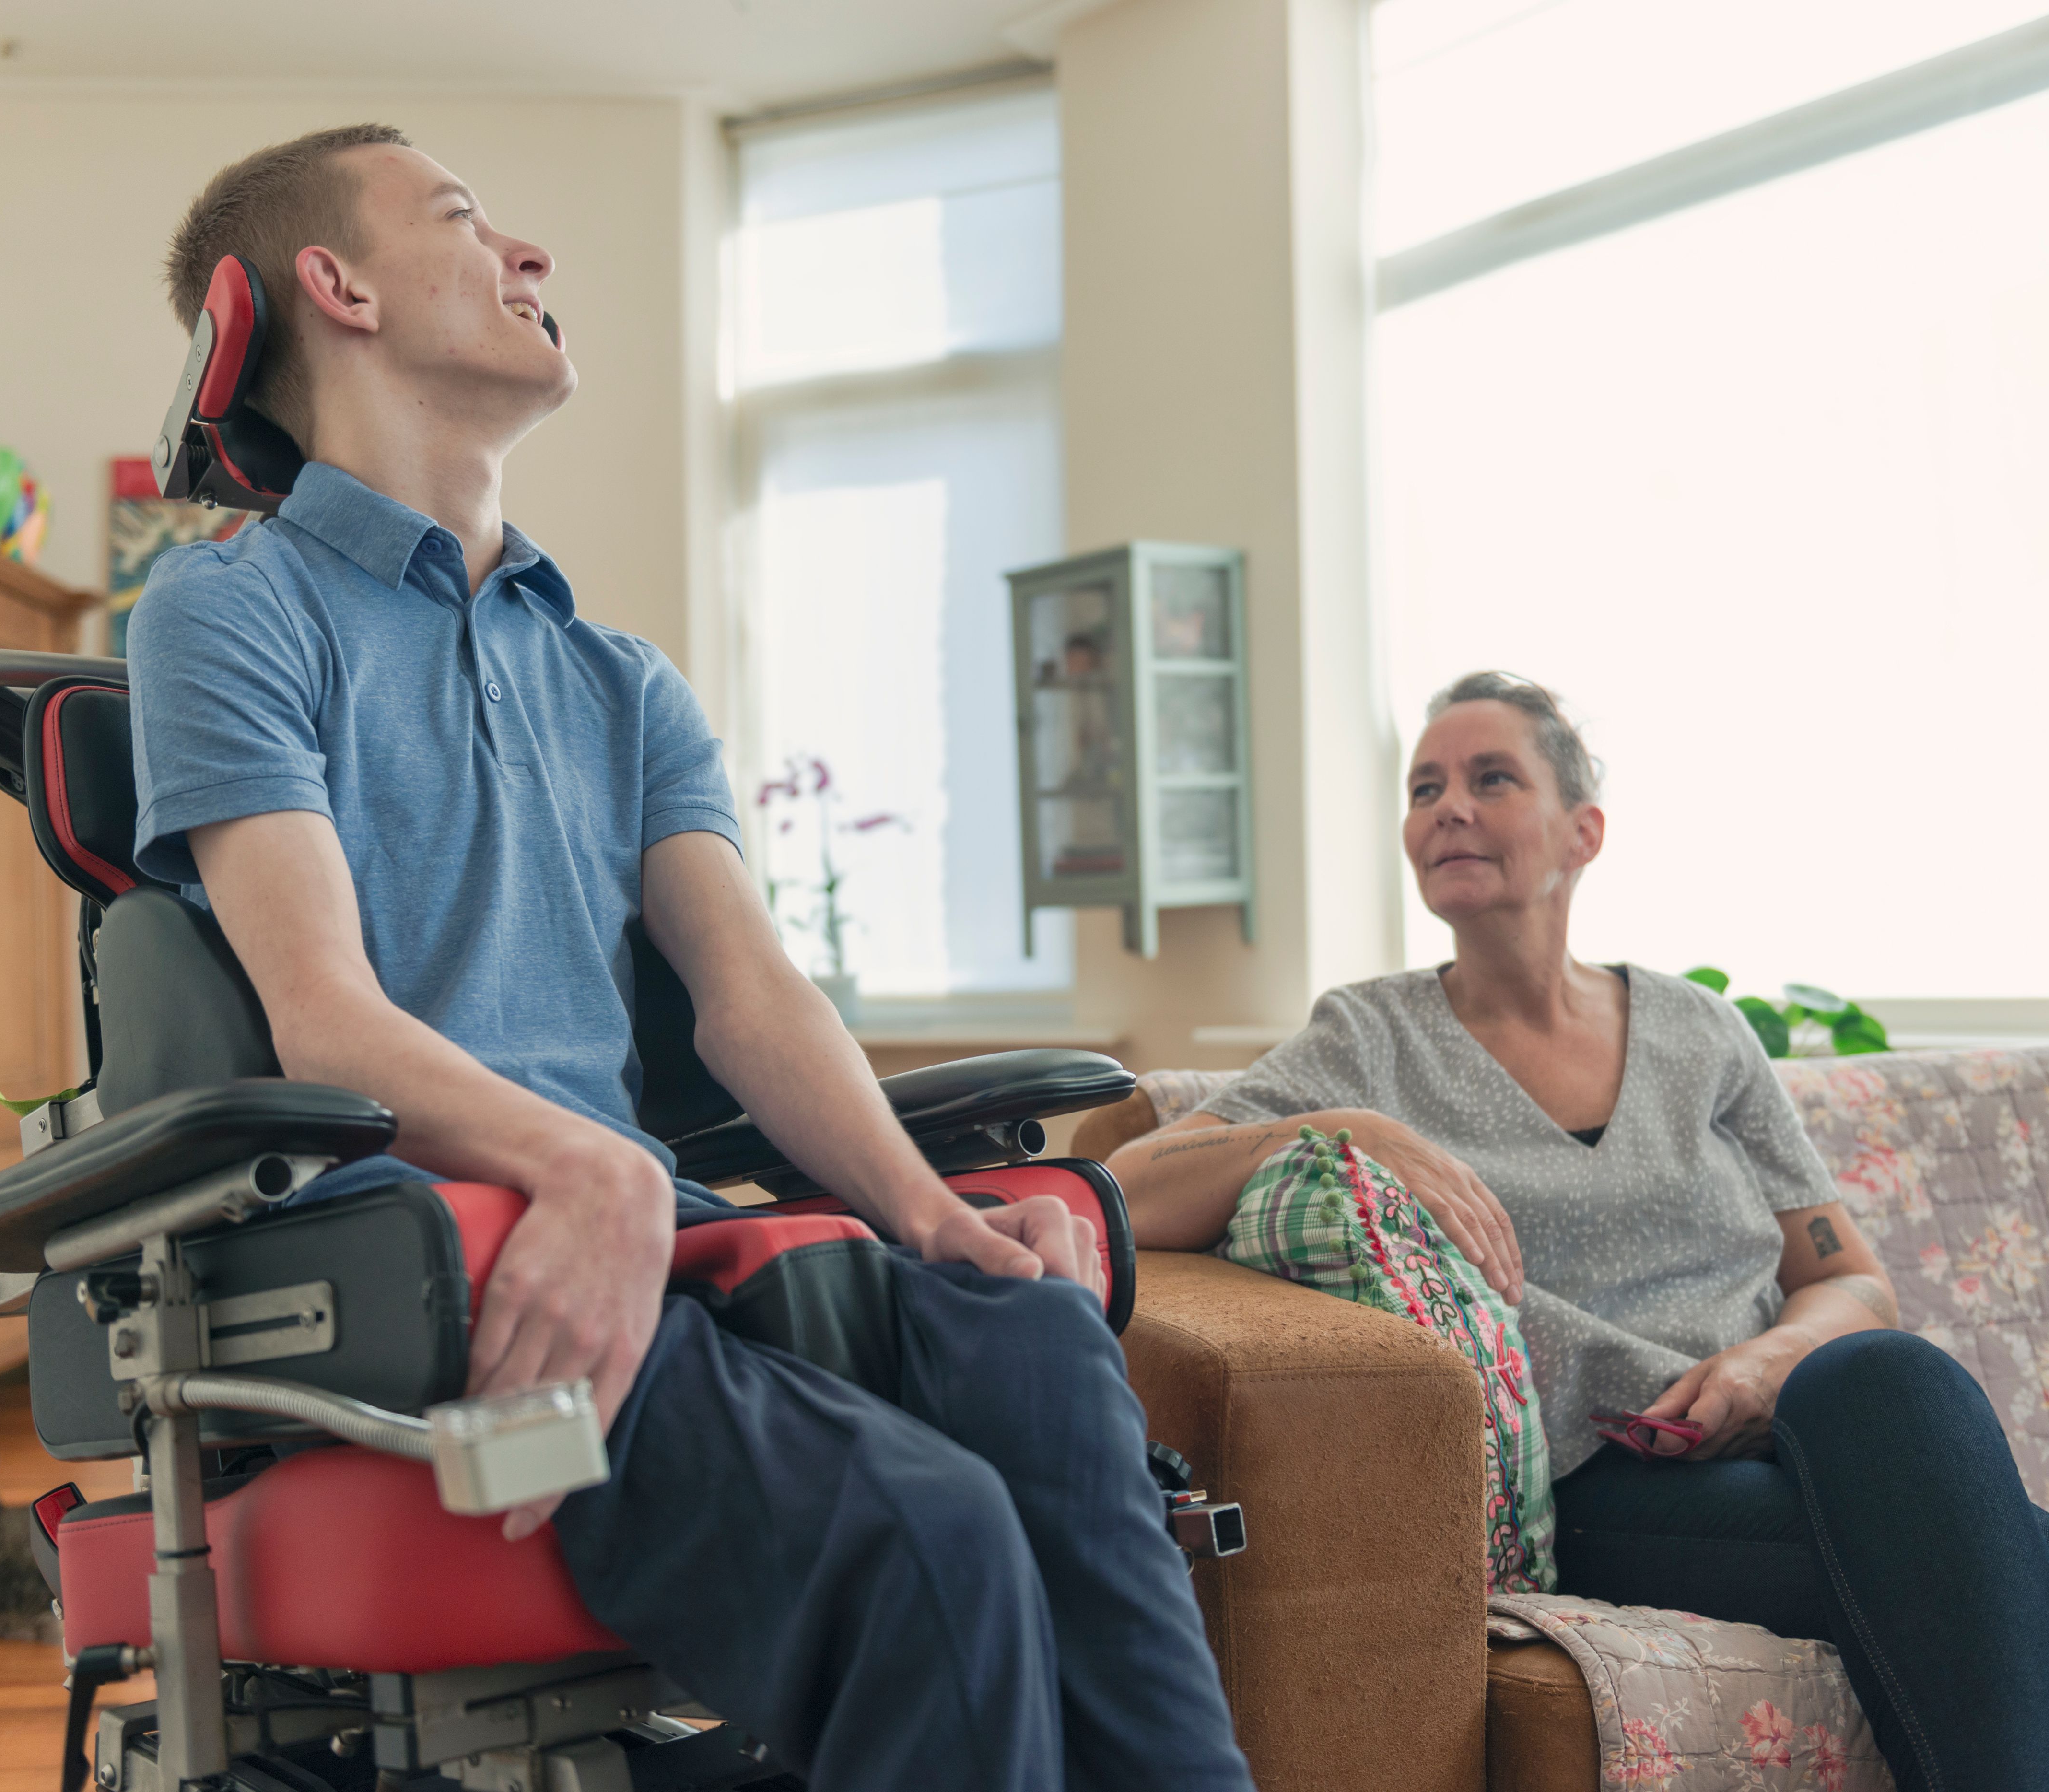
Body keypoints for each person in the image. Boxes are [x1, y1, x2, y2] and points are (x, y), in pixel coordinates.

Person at [124, 124, 1253, 1792]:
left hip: (645, 1229)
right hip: (437, 1265)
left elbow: (751, 1000)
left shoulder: (620, 678)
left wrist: (936, 1217)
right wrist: (588, 1165)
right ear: (334, 287)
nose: (530, 255)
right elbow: (326, 1019)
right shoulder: (231, 616)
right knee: (930, 1537)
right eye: (462, 216)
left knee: (1035, 1347)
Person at [1109, 671, 2049, 1792]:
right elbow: (1128, 1181)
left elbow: (1854, 1284)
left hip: (1784, 1431)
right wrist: (1336, 1128)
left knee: (1887, 1372)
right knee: (2042, 1566)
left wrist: (1767, 1359)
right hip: (1603, 1474)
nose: (1446, 807)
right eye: (1424, 787)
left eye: (1490, 778)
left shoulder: (1702, 1031)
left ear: (1582, 831)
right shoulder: (1370, 1037)